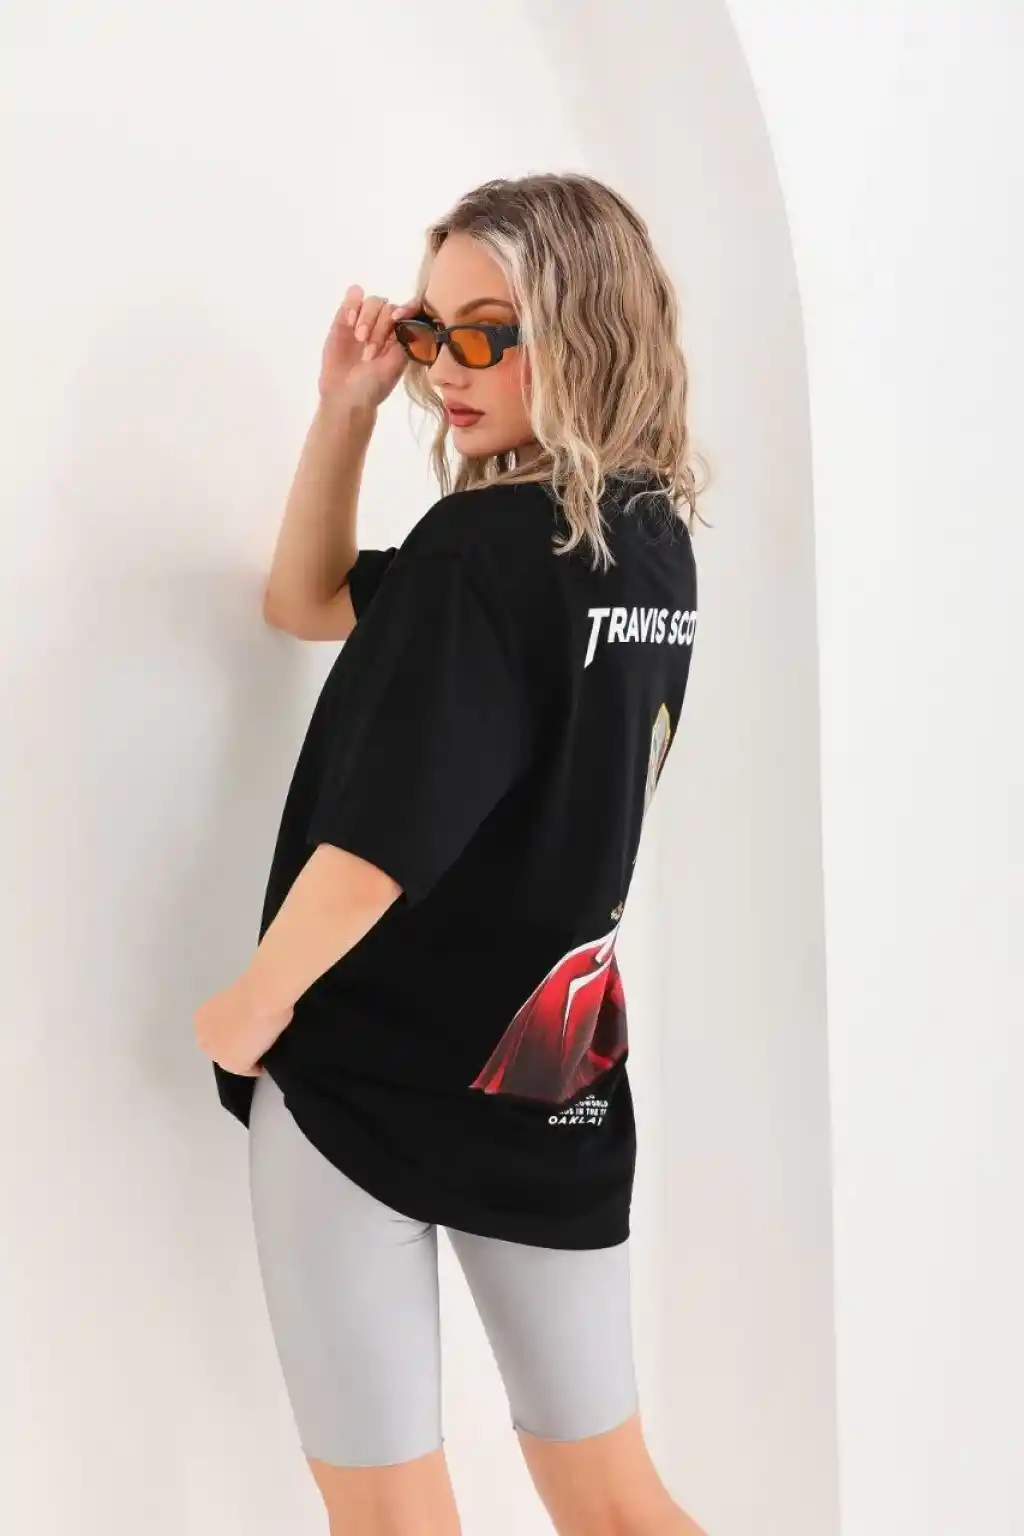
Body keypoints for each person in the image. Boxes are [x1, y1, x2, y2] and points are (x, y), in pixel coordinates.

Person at [194, 172, 708, 1536]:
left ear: (584, 331)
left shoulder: (480, 547)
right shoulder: (648, 543)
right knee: (616, 1499)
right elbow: (308, 599)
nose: (445, 368)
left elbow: (386, 832)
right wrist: (348, 408)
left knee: (389, 1517)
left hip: (366, 1076)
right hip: (554, 1074)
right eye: (429, 331)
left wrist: (255, 1003)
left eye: (489, 332)